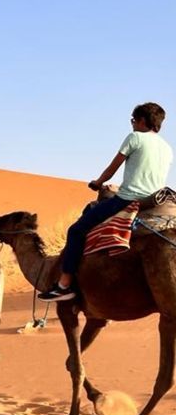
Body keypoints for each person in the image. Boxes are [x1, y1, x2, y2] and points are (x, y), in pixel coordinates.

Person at [39, 102, 173, 302]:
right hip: (156, 201)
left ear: (142, 121)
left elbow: (112, 168)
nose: (132, 124)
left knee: (75, 231)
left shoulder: (135, 137)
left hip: (128, 198)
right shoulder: (167, 147)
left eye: (133, 120)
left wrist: (98, 182)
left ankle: (65, 284)